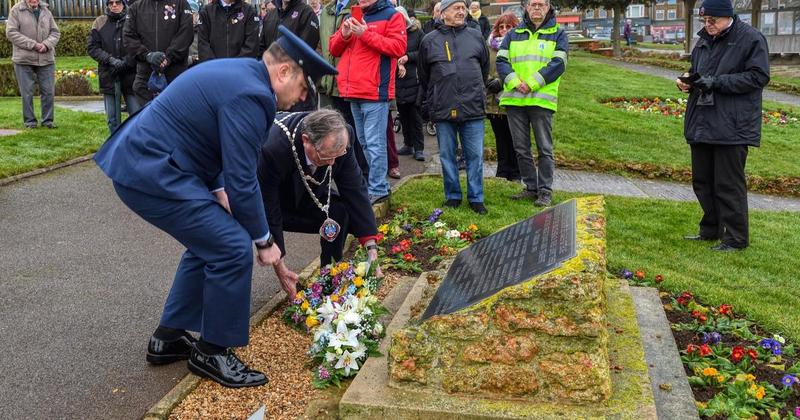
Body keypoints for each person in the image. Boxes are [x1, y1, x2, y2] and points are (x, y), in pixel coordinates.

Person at [93, 26, 337, 388]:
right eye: (304, 88)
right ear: (284, 72)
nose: (302, 99)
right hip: (153, 171)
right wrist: (264, 242)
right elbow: (244, 181)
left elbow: (211, 140)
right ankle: (212, 350)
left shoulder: (240, 73)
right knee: (233, 248)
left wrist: (218, 187)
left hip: (150, 163)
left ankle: (169, 337)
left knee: (211, 242)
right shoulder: (255, 95)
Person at [676, 0, 769, 251]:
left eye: (712, 21)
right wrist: (688, 81)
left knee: (728, 184)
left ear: (728, 17)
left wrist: (716, 82)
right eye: (704, 21)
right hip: (703, 120)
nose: (708, 25)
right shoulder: (704, 39)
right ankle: (710, 230)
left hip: (733, 124)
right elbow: (699, 71)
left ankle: (736, 238)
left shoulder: (750, 38)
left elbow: (758, 76)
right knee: (702, 181)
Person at [257, 110, 381, 284]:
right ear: (306, 140)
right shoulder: (273, 148)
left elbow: (355, 190)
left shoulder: (342, 137)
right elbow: (269, 207)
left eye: (336, 157)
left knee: (339, 211)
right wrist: (281, 268)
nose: (332, 163)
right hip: (275, 202)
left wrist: (371, 250)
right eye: (326, 157)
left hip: (309, 194)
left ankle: (330, 274)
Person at [329, 0, 407, 204]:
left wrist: (365, 33)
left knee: (374, 143)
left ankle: (379, 187)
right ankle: (374, 185)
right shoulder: (350, 16)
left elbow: (398, 47)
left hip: (374, 90)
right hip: (352, 89)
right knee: (363, 143)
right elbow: (334, 49)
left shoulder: (392, 15)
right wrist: (344, 34)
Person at [419, 0, 488, 214]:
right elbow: (424, 76)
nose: (461, 12)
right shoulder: (429, 40)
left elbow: (484, 69)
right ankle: (453, 195)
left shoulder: (476, 36)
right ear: (443, 13)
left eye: (463, 8)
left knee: (475, 156)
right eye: (456, 8)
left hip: (473, 106)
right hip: (443, 107)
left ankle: (476, 198)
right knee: (447, 155)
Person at [496, 0, 567, 207]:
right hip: (515, 100)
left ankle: (545, 190)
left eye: (541, 4)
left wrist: (532, 83)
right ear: (526, 7)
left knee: (544, 148)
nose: (537, 8)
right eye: (533, 4)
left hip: (541, 100)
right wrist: (516, 83)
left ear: (548, 7)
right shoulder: (512, 34)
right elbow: (501, 61)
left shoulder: (558, 33)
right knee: (521, 148)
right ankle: (530, 187)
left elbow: (559, 63)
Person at [88, 0, 142, 134]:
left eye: (117, 2)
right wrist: (110, 60)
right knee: (112, 119)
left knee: (136, 116)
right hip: (109, 75)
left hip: (131, 75)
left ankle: (134, 145)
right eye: (110, 3)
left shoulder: (134, 20)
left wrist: (126, 62)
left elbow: (140, 44)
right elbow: (93, 47)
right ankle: (115, 147)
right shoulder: (99, 22)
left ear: (123, 4)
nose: (114, 5)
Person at [124, 0, 194, 102]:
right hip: (146, 78)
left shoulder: (181, 4)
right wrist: (148, 55)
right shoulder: (136, 7)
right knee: (148, 116)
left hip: (175, 76)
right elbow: (128, 37)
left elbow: (186, 34)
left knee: (174, 116)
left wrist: (168, 57)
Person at [5, 0, 60, 129]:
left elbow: (55, 32)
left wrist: (46, 45)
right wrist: (33, 45)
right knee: (27, 92)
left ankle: (48, 122)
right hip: (23, 59)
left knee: (48, 92)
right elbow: (11, 33)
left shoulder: (46, 10)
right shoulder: (16, 10)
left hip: (46, 58)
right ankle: (30, 122)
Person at [260, 0, 320, 111]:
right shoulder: (270, 16)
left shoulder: (306, 13)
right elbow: (261, 49)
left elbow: (304, 52)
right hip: (272, 90)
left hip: (297, 92)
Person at [485, 13, 520, 182]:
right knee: (500, 138)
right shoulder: (489, 47)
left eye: (508, 26)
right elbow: (483, 67)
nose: (504, 30)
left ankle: (515, 173)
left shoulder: (520, 46)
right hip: (492, 101)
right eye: (501, 27)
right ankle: (502, 171)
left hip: (512, 98)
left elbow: (521, 70)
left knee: (514, 138)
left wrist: (502, 82)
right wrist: (489, 81)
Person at [394, 6, 425, 162]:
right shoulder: (393, 33)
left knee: (415, 116)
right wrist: (398, 63)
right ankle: (408, 144)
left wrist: (408, 57)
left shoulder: (417, 33)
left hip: (414, 79)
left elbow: (424, 52)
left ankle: (419, 148)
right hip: (398, 79)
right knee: (403, 114)